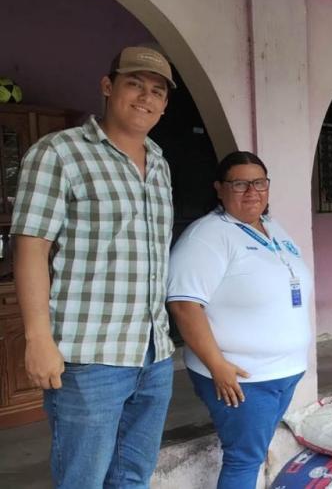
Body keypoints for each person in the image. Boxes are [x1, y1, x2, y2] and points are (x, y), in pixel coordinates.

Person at [11, 45, 175, 488]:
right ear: (108, 87)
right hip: (90, 359)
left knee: (133, 478)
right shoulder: (59, 153)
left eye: (157, 91)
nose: (146, 98)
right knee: (82, 480)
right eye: (134, 84)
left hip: (153, 355)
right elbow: (31, 248)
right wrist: (38, 338)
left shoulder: (159, 162)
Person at [167, 151, 311, 489]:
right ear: (219, 188)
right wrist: (217, 365)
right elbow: (184, 306)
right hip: (241, 377)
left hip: (283, 372)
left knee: (254, 452)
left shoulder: (273, 227)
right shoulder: (207, 236)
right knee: (244, 458)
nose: (252, 191)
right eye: (240, 184)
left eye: (259, 183)